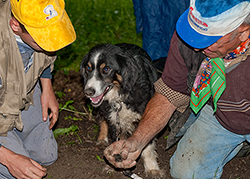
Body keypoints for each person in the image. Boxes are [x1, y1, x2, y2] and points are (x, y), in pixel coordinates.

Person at [104, 0, 250, 178]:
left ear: (243, 32)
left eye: (209, 39)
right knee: (187, 173)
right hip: (221, 115)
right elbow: (168, 94)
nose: (196, 46)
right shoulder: (187, 41)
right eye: (194, 35)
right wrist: (136, 141)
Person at [0, 0, 76, 178]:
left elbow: (45, 58)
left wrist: (47, 88)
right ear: (15, 25)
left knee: (46, 156)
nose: (53, 44)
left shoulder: (36, 13)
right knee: (16, 172)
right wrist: (9, 157)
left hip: (17, 88)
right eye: (43, 39)